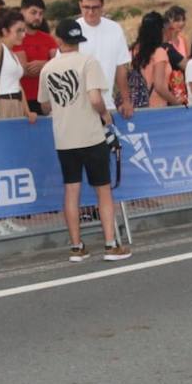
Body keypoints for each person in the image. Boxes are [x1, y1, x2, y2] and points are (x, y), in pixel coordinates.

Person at [38, 19, 131, 263]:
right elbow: (95, 98)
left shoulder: (48, 68)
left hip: (64, 137)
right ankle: (110, 244)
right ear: (79, 40)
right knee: (103, 190)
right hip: (90, 135)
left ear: (58, 40)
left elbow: (45, 105)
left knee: (71, 189)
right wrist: (104, 114)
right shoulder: (88, 62)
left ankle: (77, 247)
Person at [76, 0, 134, 119]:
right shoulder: (73, 30)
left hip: (107, 106)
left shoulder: (115, 29)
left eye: (95, 7)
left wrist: (126, 100)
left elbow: (121, 68)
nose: (90, 12)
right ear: (80, 5)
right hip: (78, 108)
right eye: (86, 7)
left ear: (102, 6)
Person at [0, 8, 38, 125]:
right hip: (2, 104)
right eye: (18, 31)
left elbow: (17, 84)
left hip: (16, 105)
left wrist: (27, 111)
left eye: (23, 30)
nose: (23, 35)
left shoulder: (12, 53)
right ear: (5, 31)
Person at [16, 0, 58, 115]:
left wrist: (44, 65)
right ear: (22, 12)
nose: (37, 17)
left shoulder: (48, 39)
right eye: (33, 13)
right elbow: (24, 70)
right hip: (21, 99)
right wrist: (48, 66)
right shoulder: (15, 38)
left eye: (40, 13)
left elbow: (59, 64)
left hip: (44, 99)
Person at [130, 11, 178, 108]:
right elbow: (159, 87)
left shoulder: (132, 51)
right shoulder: (159, 52)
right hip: (156, 108)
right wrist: (177, 103)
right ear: (160, 30)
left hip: (135, 105)